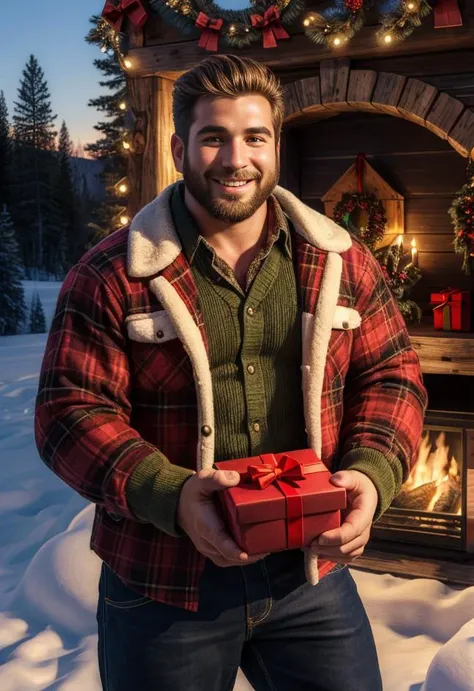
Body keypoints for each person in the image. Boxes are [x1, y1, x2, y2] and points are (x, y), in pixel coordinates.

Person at [35, 54, 427, 691]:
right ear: (178, 147)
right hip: (163, 583)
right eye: (213, 137)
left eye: (255, 137)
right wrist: (171, 494)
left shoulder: (340, 260)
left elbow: (392, 376)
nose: (235, 158)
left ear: (276, 144)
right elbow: (69, 414)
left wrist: (371, 475)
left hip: (308, 576)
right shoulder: (111, 274)